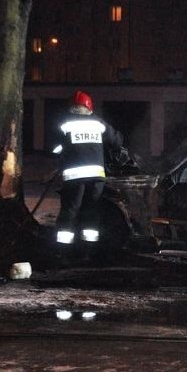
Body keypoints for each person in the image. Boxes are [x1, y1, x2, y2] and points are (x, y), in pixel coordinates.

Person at [53, 90, 124, 263]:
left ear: (72, 107)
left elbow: (55, 148)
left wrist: (64, 153)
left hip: (74, 177)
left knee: (70, 212)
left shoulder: (64, 124)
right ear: (89, 107)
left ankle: (63, 253)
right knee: (91, 212)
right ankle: (88, 252)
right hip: (96, 177)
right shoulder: (98, 123)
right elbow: (117, 142)